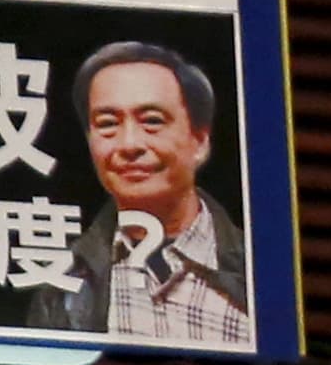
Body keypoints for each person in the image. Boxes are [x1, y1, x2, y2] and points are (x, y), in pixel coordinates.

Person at [27, 41, 252, 344]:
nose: (129, 144)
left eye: (152, 121)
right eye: (107, 124)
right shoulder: (63, 288)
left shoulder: (259, 272)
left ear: (199, 141)